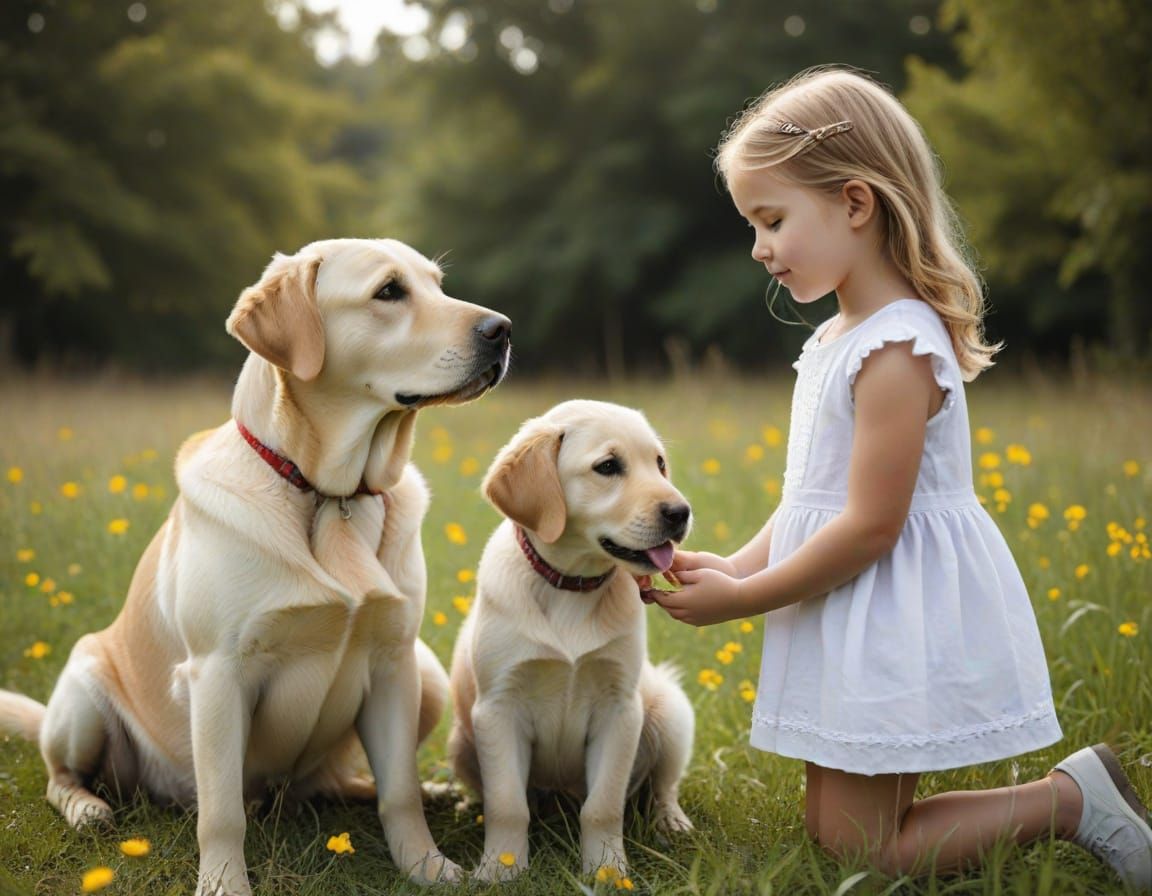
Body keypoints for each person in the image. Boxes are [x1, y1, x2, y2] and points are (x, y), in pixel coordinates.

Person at [649, 66, 1152, 888]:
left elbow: (873, 524)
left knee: (867, 849)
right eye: (752, 224)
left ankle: (1067, 800)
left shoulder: (895, 347)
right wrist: (740, 562)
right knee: (835, 831)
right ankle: (1062, 797)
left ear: (855, 202)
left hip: (887, 607)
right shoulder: (834, 339)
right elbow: (814, 498)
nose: (758, 248)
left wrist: (745, 600)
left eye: (772, 219)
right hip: (848, 603)